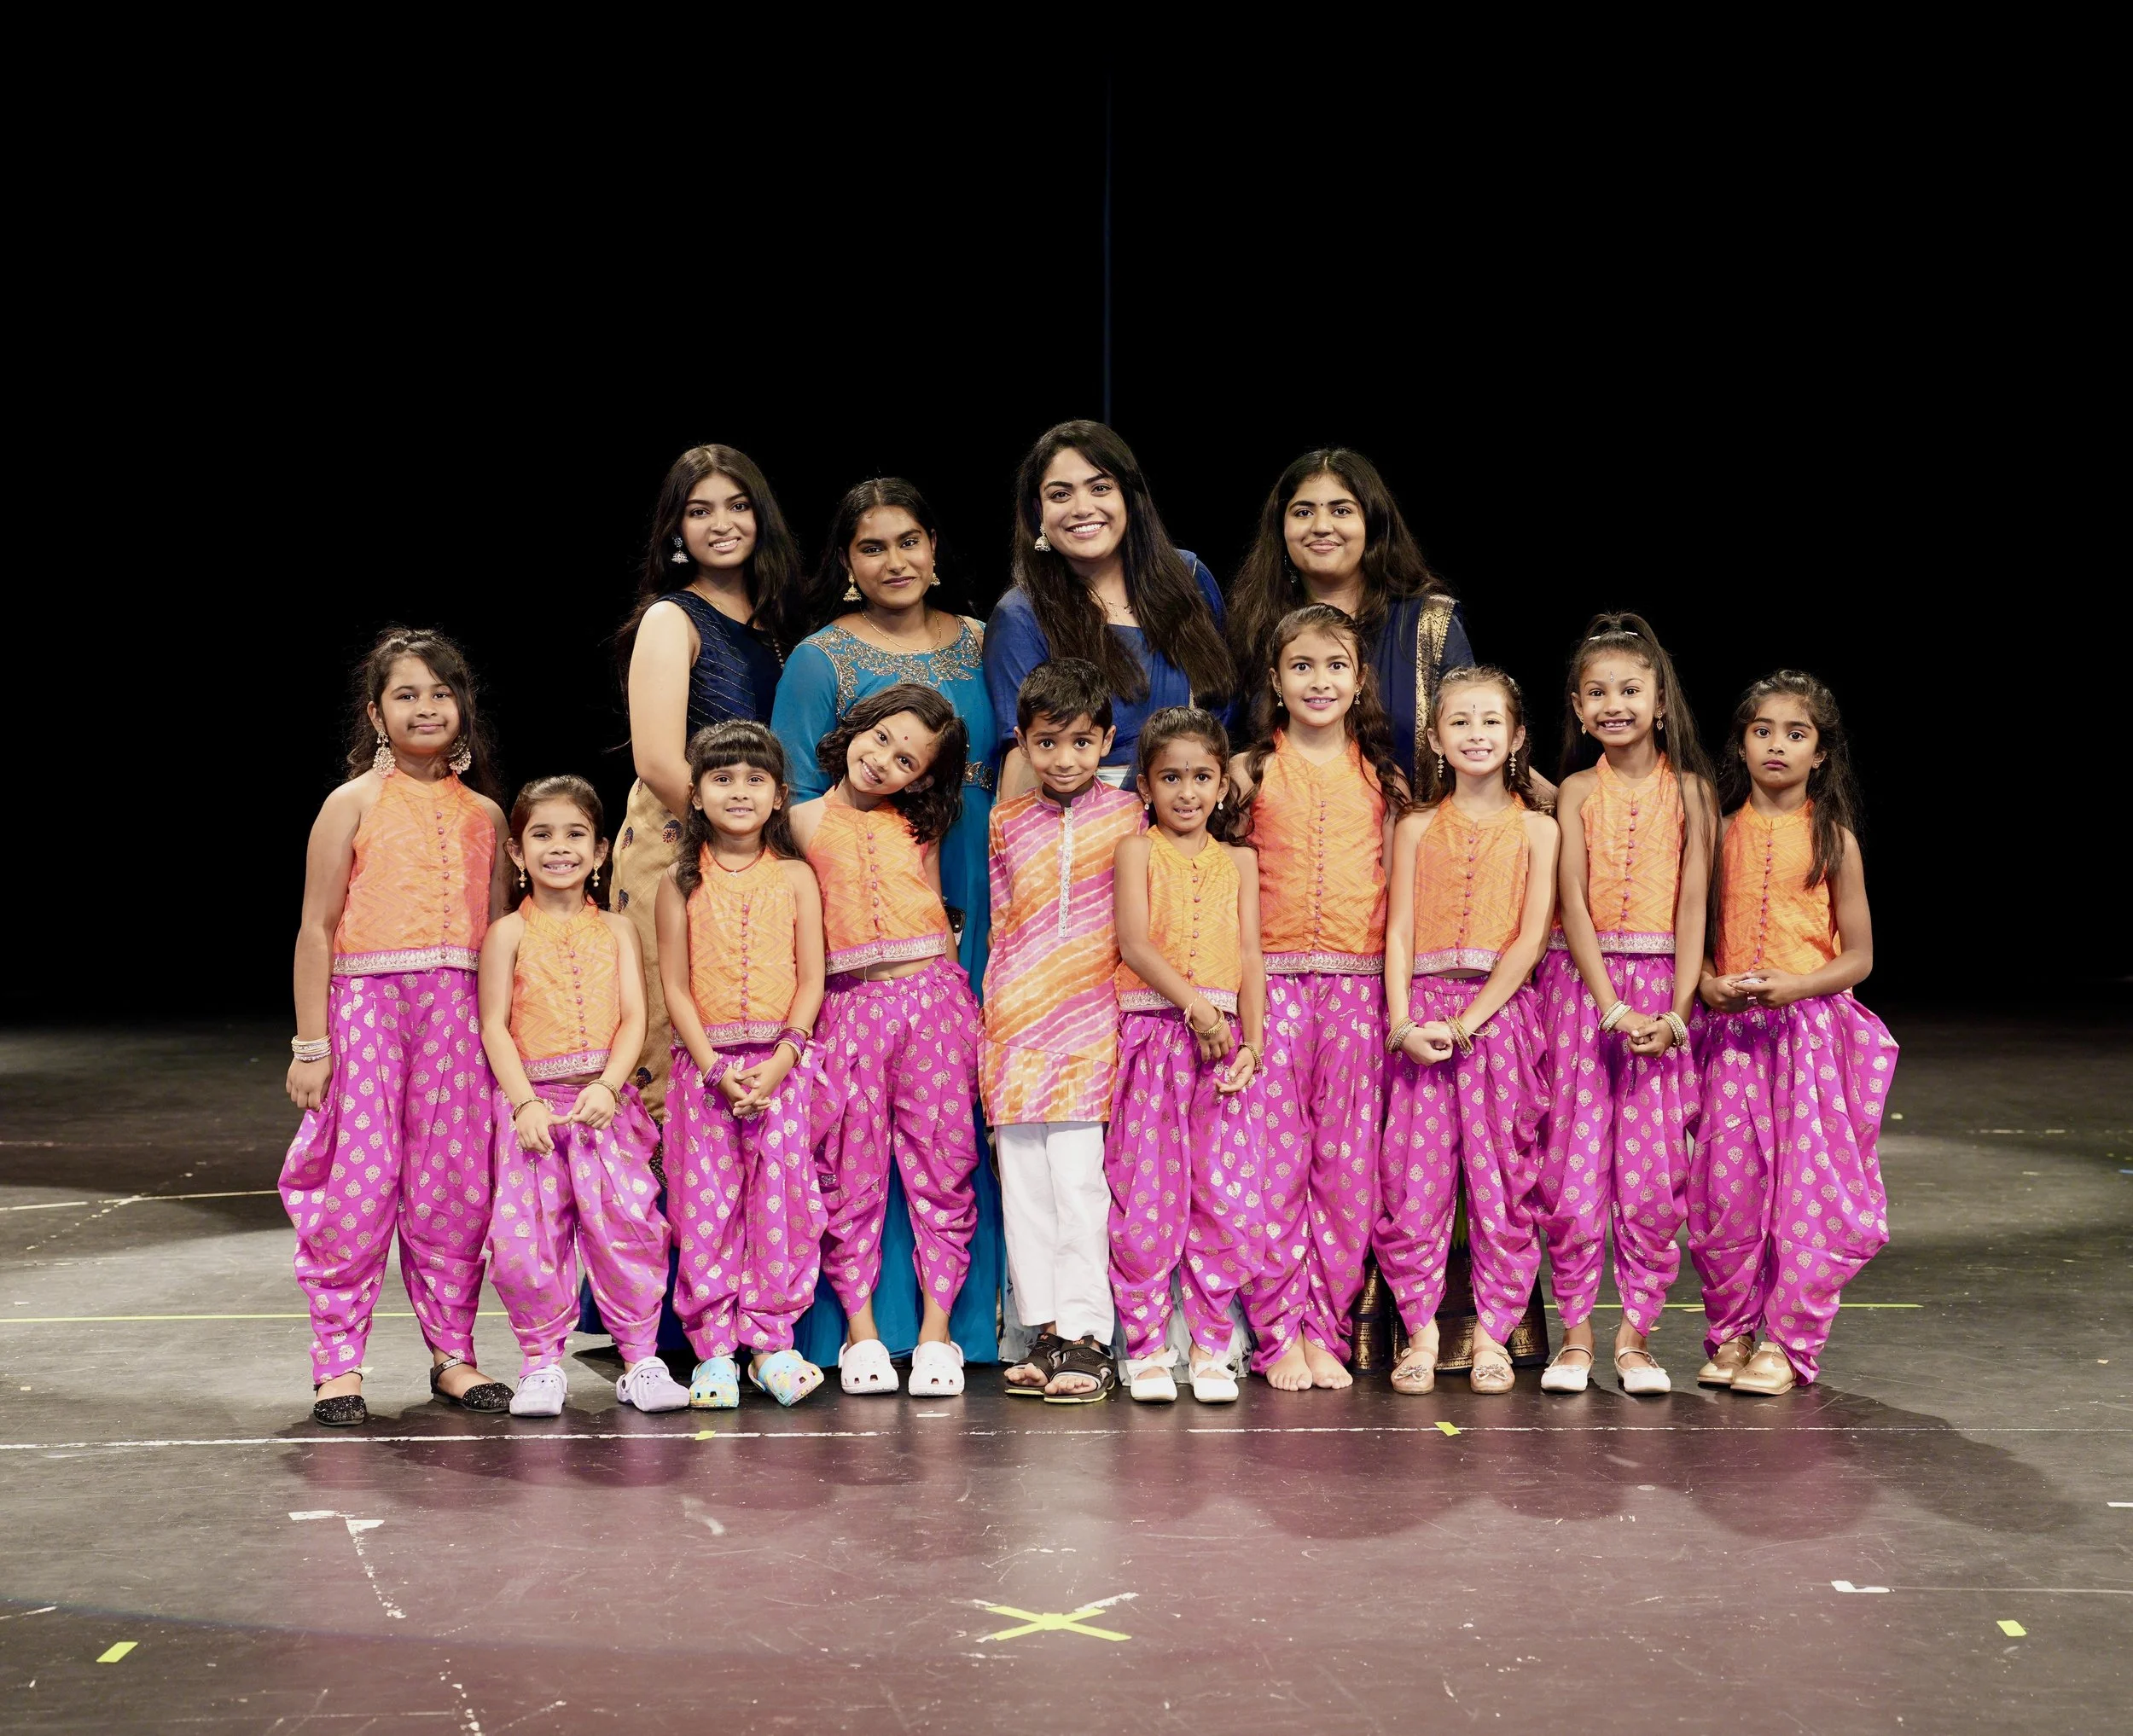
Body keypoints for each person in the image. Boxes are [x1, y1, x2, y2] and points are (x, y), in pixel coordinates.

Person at [280, 629, 516, 1426]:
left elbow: (500, 940)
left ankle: (453, 1354)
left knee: (453, 1193)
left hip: (457, 1023)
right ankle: (337, 1365)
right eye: (406, 694)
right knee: (358, 1186)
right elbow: (317, 928)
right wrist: (313, 1043)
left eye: (440, 692)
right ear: (376, 711)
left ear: (462, 706)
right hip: (367, 1016)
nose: (425, 707)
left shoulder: (485, 812)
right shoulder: (351, 803)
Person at [1691, 672, 1896, 1396]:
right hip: (1732, 1038)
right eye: (1763, 730)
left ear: (1821, 754)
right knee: (1727, 1189)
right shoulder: (1715, 829)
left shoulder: (1831, 838)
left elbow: (1859, 956)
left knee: (1803, 1191)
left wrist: (1797, 985)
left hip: (1806, 1033)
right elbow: (1696, 929)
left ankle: (1788, 1338)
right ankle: (1733, 1332)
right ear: (1741, 743)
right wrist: (1709, 980)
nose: (1777, 744)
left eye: (1796, 733)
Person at [1535, 614, 1716, 1396]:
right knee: (1573, 1180)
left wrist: (1675, 1014)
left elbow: (1694, 909)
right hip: (1584, 997)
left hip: (1665, 1007)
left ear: (1660, 699)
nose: (1615, 704)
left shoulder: (1695, 793)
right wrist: (1610, 1006)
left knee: (1651, 1183)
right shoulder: (1575, 790)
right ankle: (1575, 1336)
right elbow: (1570, 902)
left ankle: (1635, 1337)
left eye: (1630, 689)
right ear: (1578, 708)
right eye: (1598, 692)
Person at [1229, 606, 1405, 1392]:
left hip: (1358, 991)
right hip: (1268, 988)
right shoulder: (1245, 773)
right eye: (1302, 666)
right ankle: (1274, 1331)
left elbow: (1403, 899)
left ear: (1360, 677)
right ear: (1275, 679)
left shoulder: (1384, 781)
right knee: (1271, 1163)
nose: (1320, 681)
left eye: (1335, 666)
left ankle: (1323, 1324)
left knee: (1345, 1169)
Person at [790, 685, 983, 1399]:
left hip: (930, 1002)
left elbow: (933, 910)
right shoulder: (800, 820)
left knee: (943, 1164)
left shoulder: (916, 827)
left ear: (921, 777)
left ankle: (936, 1335)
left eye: (906, 758)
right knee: (851, 1171)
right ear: (857, 728)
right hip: (848, 1007)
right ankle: (861, 1331)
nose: (883, 760)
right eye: (880, 738)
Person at [477, 776, 687, 1418]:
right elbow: (493, 1025)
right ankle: (541, 1362)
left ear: (600, 852)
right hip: (534, 1111)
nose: (558, 848)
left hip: (604, 1108)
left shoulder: (620, 928)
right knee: (527, 1241)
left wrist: (608, 1084)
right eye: (541, 835)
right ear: (518, 852)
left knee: (627, 1226)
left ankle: (640, 1358)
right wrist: (523, 1103)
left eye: (574, 835)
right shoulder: (507, 933)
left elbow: (634, 1016)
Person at [1376, 670, 1559, 1396]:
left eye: (1492, 722)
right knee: (1413, 1184)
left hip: (1499, 1021)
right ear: (1436, 737)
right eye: (1460, 722)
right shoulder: (1416, 825)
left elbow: (1530, 939)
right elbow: (1396, 932)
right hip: (1420, 1017)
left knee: (1501, 1182)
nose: (1476, 734)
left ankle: (1492, 1334)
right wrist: (1402, 1024)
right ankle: (1421, 1331)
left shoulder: (1538, 828)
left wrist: (1469, 1020)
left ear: (1517, 737)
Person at [613, 444, 802, 1118]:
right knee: (669, 1029)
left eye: (737, 505)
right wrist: (735, 839)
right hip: (681, 845)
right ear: (677, 531)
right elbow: (659, 761)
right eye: (700, 510)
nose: (721, 523)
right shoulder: (673, 618)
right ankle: (662, 1212)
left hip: (752, 847)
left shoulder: (776, 625)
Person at [983, 659, 1145, 1404]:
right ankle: (1042, 1330)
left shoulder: (1130, 814)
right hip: (1015, 1017)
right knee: (1025, 1183)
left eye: (1083, 741)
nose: (1065, 758)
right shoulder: (1005, 821)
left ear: (1107, 739)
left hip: (1091, 1017)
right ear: (1023, 741)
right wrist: (994, 1019)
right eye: (1048, 743)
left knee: (1080, 1181)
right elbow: (1004, 922)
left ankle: (1088, 1335)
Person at [658, 723, 830, 1409]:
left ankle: (771, 1346)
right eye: (722, 778)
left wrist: (784, 1058)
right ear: (696, 794)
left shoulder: (795, 876)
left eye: (755, 779)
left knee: (783, 1205)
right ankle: (714, 1353)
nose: (739, 791)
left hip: (782, 1069)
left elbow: (812, 977)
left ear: (779, 794)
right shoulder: (681, 878)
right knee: (707, 1206)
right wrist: (712, 1069)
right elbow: (674, 985)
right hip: (706, 1076)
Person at [1108, 706, 1269, 1405]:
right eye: (1170, 777)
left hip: (1225, 1046)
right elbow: (1136, 944)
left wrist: (1253, 1040)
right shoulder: (1136, 851)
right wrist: (1196, 1009)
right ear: (1145, 785)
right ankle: (1145, 1347)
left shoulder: (1240, 860)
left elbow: (1252, 954)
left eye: (1202, 776)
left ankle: (1209, 1342)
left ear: (1222, 785)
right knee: (1146, 1198)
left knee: (1224, 1199)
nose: (1187, 792)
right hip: (1155, 1036)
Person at [984, 421, 1234, 794]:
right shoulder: (1022, 616)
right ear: (1038, 512)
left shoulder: (1190, 577)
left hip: (1199, 818)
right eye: (1060, 495)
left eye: (1100, 488)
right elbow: (1024, 758)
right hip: (1090, 830)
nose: (1083, 508)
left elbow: (1230, 704)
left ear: (1129, 498)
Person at [1225, 449, 1476, 786]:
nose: (1321, 527)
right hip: (1279, 833)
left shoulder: (1429, 623)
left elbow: (1478, 734)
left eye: (1341, 510)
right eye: (1303, 512)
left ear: (1371, 524)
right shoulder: (1251, 626)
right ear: (1281, 529)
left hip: (1416, 828)